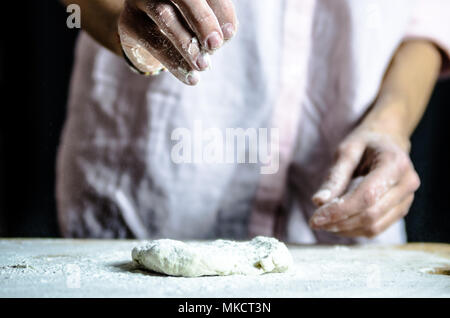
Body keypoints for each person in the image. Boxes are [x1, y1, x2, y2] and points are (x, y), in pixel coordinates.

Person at [57, 0, 449, 244]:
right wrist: (123, 22)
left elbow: (429, 16)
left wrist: (390, 122)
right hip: (146, 202)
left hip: (343, 240)